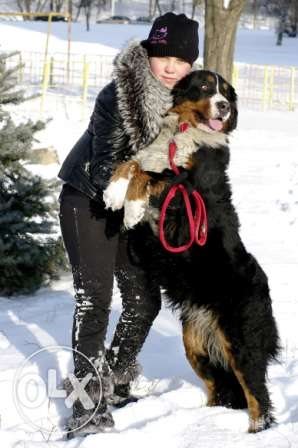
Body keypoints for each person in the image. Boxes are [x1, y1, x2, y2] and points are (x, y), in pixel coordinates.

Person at [58, 12, 199, 436]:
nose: (171, 67)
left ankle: (117, 380)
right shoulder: (118, 96)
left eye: (181, 59)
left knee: (144, 300)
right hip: (89, 199)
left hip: (134, 206)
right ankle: (85, 402)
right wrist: (154, 193)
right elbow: (105, 170)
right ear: (149, 53)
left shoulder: (188, 103)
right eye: (162, 56)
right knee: (94, 299)